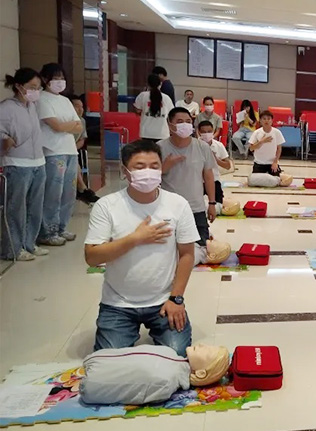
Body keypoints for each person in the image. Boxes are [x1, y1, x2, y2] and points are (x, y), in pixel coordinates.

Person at [84, 140, 198, 356]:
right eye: (139, 166)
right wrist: (135, 239)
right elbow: (92, 256)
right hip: (118, 303)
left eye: (154, 166)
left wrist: (176, 298)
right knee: (108, 363)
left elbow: (187, 255)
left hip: (164, 300)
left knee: (177, 358)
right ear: (125, 171)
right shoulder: (106, 206)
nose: (148, 172)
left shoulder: (178, 204)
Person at [0, 68, 48, 261]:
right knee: (16, 208)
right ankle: (13, 248)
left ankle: (29, 243)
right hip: (17, 164)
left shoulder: (32, 106)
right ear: (19, 86)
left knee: (35, 207)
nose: (35, 91)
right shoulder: (6, 108)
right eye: (32, 87)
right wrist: (5, 139)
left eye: (38, 87)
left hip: (38, 162)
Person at [36, 62, 82, 246]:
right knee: (53, 193)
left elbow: (78, 126)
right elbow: (55, 126)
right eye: (56, 78)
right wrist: (67, 126)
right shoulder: (42, 99)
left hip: (70, 150)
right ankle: (48, 231)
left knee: (68, 193)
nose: (60, 82)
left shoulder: (64, 101)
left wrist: (65, 126)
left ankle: (62, 227)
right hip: (53, 152)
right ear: (45, 79)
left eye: (62, 78)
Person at [157, 107, 217, 246]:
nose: (185, 125)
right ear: (170, 124)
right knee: (168, 248)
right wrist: (165, 167)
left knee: (201, 247)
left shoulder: (202, 147)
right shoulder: (159, 148)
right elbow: (150, 179)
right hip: (169, 209)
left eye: (188, 121)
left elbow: (208, 177)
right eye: (179, 121)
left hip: (196, 208)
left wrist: (212, 203)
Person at [69, 94, 99, 205]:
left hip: (72, 151)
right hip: (62, 151)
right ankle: (82, 189)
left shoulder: (82, 121)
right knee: (74, 163)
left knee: (74, 161)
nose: (80, 109)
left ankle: (81, 189)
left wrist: (72, 149)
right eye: (76, 106)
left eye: (81, 106)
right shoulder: (66, 122)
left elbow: (82, 140)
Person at [198, 120, 233, 206]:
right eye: (203, 132)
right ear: (199, 132)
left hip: (214, 180)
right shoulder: (194, 145)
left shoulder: (219, 145)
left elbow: (228, 166)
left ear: (213, 131)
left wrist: (216, 159)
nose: (206, 134)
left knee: (218, 206)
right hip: (198, 181)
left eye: (209, 131)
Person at [133, 73, 174, 143]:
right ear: (160, 84)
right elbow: (171, 114)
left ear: (148, 84)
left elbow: (138, 110)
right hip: (162, 133)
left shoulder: (142, 95)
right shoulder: (166, 98)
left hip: (146, 133)